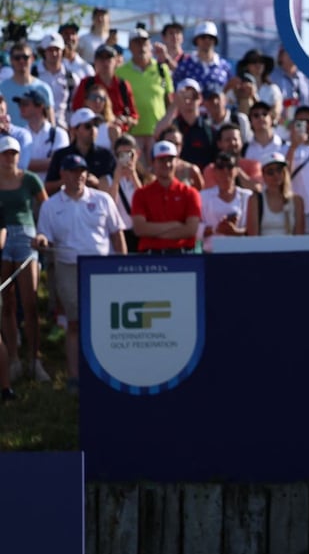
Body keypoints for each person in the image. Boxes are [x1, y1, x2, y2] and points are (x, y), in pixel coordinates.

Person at [33, 152, 126, 393]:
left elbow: (117, 233)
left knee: (107, 322)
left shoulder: (103, 199)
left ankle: (109, 370)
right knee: (74, 322)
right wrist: (40, 240)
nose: (78, 176)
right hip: (69, 267)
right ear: (63, 175)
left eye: (82, 172)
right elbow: (45, 235)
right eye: (73, 172)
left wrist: (122, 266)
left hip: (102, 267)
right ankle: (74, 377)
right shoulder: (51, 205)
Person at [0, 133, 49, 382]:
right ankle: (14, 359)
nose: (9, 158)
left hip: (26, 238)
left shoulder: (29, 179)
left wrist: (42, 233)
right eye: (5, 154)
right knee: (6, 302)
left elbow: (46, 208)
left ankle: (34, 360)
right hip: (1, 239)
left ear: (19, 156)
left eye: (13, 153)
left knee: (29, 303)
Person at [130, 140, 202, 254]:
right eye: (161, 160)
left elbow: (191, 229)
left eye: (170, 159)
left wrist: (155, 233)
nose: (167, 164)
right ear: (153, 163)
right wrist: (174, 225)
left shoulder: (190, 193)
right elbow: (139, 229)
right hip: (151, 255)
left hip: (182, 255)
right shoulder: (141, 194)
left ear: (177, 161)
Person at [115, 26, 172, 160]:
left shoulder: (162, 70)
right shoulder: (120, 73)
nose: (141, 47)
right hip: (132, 134)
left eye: (144, 43)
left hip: (157, 133)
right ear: (130, 46)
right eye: (137, 43)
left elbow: (169, 99)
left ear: (150, 45)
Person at [198, 152, 252, 251]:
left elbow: (256, 230)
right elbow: (194, 228)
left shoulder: (248, 196)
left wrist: (235, 232)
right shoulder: (202, 196)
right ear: (214, 171)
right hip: (212, 253)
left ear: (236, 170)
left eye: (230, 167)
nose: (225, 171)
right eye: (220, 167)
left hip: (241, 252)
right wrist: (216, 229)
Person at [245, 153, 303, 237]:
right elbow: (253, 236)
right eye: (270, 172)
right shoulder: (255, 200)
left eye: (279, 170)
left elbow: (299, 237)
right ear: (263, 175)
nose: (276, 175)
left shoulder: (297, 201)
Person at [173, 21, 232, 92]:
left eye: (210, 38)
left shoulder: (224, 66)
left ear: (215, 41)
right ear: (196, 40)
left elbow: (229, 92)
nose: (207, 40)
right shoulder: (185, 64)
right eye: (203, 37)